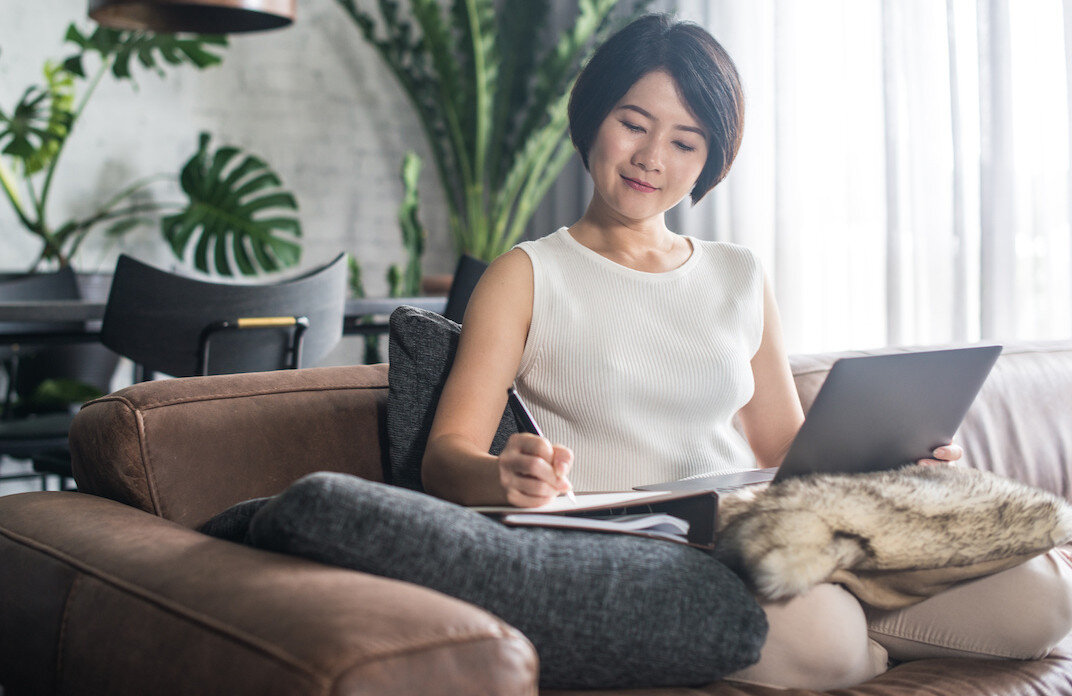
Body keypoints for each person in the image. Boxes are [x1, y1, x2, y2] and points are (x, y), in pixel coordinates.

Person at [420, 13, 1072, 691]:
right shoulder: (525, 275)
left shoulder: (739, 273)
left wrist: (894, 457)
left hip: (772, 530)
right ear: (592, 117)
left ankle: (859, 627)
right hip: (651, 551)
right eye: (633, 123)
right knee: (824, 637)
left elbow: (781, 448)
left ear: (711, 157)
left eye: (685, 141)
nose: (652, 158)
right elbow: (445, 459)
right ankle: (866, 642)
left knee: (1044, 601)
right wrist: (504, 475)